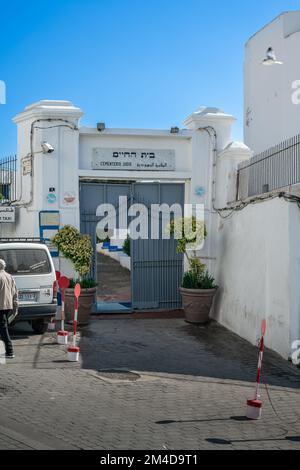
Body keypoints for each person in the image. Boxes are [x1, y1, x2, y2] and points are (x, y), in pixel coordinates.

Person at [0, 259, 18, 358]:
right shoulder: (9, 276)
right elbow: (15, 292)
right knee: (3, 327)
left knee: (3, 329)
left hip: (1, 306)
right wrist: (15, 307)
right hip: (7, 306)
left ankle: (10, 351)